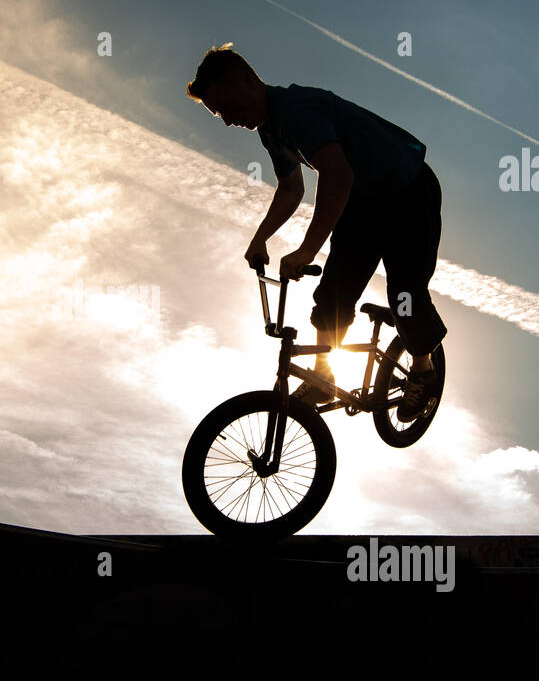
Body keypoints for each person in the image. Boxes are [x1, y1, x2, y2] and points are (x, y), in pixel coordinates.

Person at [186, 43, 447, 421]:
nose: (226, 120)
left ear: (244, 81)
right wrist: (260, 238)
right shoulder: (270, 131)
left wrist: (308, 249)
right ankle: (324, 374)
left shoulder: (295, 110)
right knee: (332, 295)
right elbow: (291, 188)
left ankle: (422, 372)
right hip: (364, 201)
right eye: (218, 115)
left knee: (404, 292)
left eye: (225, 107)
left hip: (408, 191)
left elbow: (336, 173)